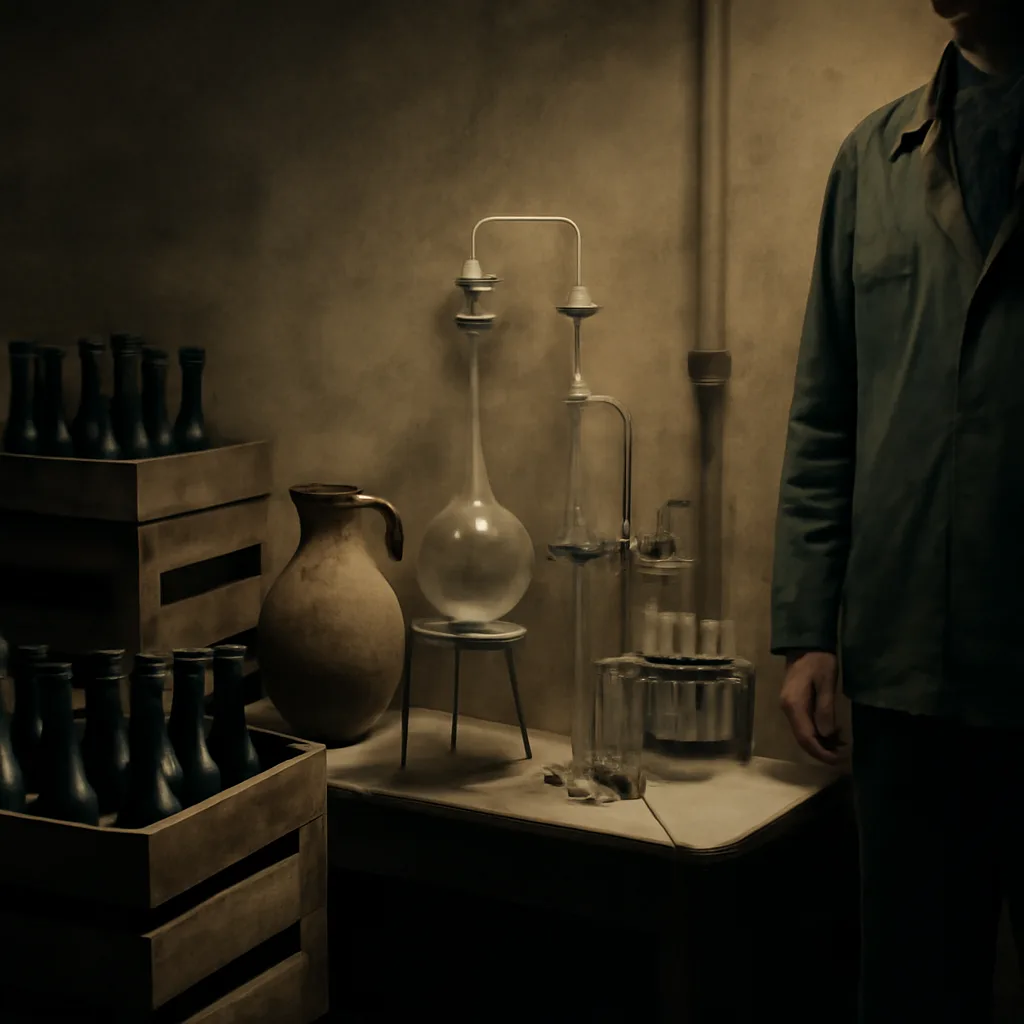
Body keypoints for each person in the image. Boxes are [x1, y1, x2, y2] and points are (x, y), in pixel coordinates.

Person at [771, 2, 1024, 1021]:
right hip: (905, 670)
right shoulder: (871, 158)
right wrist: (807, 629)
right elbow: (824, 409)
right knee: (913, 989)